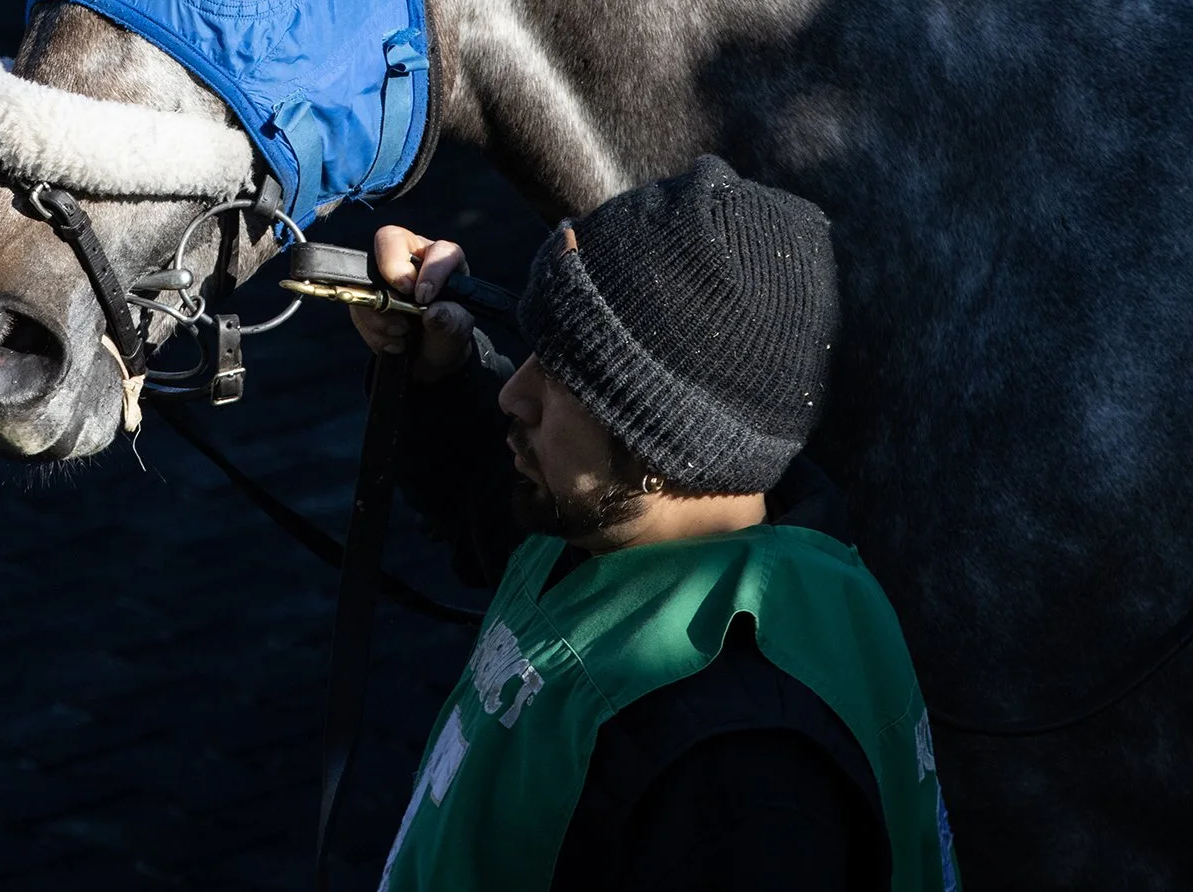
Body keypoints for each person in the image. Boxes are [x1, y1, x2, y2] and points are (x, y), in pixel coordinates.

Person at [356, 156, 957, 892]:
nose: (514, 394)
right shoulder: (615, 526)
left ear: (663, 442)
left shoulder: (740, 766)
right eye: (534, 349)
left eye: (565, 375)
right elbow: (485, 505)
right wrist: (434, 369)